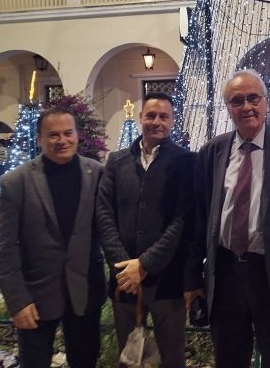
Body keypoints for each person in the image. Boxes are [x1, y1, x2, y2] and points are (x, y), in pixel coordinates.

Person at [184, 69, 270, 368]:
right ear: (228, 108)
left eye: (253, 98)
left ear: (265, 102)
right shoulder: (211, 152)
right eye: (237, 101)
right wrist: (193, 278)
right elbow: (199, 219)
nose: (246, 106)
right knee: (229, 359)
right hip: (225, 275)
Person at [0, 106, 106, 368]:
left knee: (86, 361)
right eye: (53, 135)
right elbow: (5, 248)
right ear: (40, 138)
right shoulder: (16, 182)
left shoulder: (98, 173)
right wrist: (17, 301)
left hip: (85, 291)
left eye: (68, 133)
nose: (62, 140)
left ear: (77, 135)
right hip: (35, 296)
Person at [95, 92, 195, 368]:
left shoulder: (186, 162)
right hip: (124, 281)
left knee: (173, 358)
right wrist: (124, 267)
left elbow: (182, 220)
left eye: (164, 116)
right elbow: (104, 214)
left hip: (168, 282)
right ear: (140, 118)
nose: (156, 122)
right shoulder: (116, 162)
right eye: (150, 115)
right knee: (129, 359)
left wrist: (145, 265)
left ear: (172, 120)